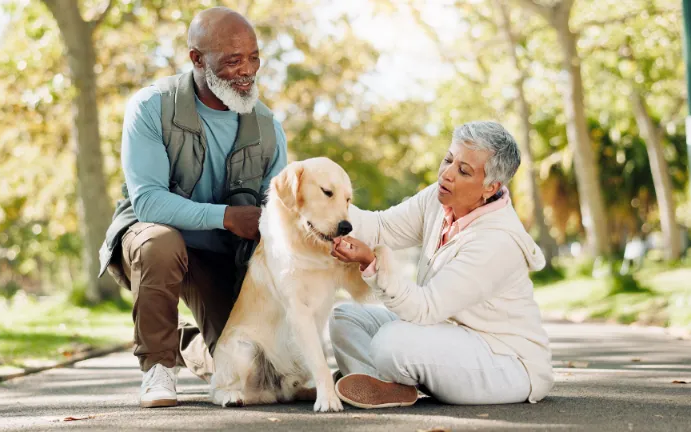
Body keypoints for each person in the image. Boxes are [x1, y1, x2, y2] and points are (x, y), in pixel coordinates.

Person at [97, 7, 288, 408]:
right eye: (233, 60)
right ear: (197, 59)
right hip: (153, 242)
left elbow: (280, 215)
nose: (247, 69)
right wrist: (227, 217)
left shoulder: (268, 128)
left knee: (251, 378)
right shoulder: (152, 107)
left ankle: (186, 347)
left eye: (253, 57)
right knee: (161, 243)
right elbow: (147, 201)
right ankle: (157, 368)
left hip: (221, 256)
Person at [328, 121, 552, 409]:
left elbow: (425, 309)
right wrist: (323, 208)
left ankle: (379, 373)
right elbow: (381, 226)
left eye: (463, 171)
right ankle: (384, 385)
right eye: (448, 159)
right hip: (446, 334)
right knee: (346, 318)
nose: (446, 174)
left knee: (391, 343)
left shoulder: (497, 241)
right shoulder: (438, 199)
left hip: (506, 362)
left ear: (491, 187)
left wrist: (372, 263)